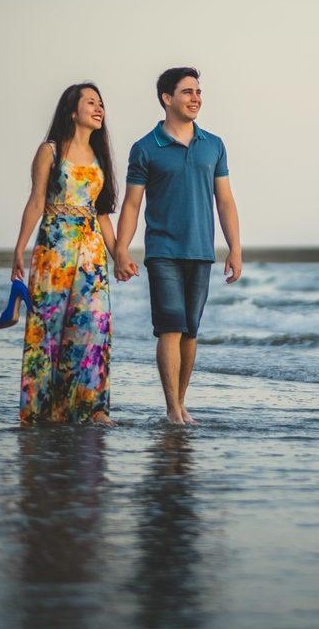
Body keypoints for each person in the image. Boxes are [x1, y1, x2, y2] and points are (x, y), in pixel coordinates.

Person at [114, 67, 242, 425]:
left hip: (202, 251)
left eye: (198, 92)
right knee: (170, 327)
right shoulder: (145, 148)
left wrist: (235, 248)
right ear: (167, 98)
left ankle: (181, 403)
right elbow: (131, 205)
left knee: (190, 332)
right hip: (163, 251)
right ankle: (172, 409)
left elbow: (226, 201)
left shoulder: (214, 145)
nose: (196, 98)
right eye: (187, 92)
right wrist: (121, 250)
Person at [9, 83, 118, 425]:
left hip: (91, 255)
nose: (99, 108)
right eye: (91, 103)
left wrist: (120, 256)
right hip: (53, 251)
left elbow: (102, 214)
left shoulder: (100, 157)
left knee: (93, 327)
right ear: (73, 111)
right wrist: (19, 248)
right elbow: (36, 201)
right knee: (48, 331)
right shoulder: (50, 151)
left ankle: (92, 409)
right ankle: (43, 411)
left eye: (101, 103)